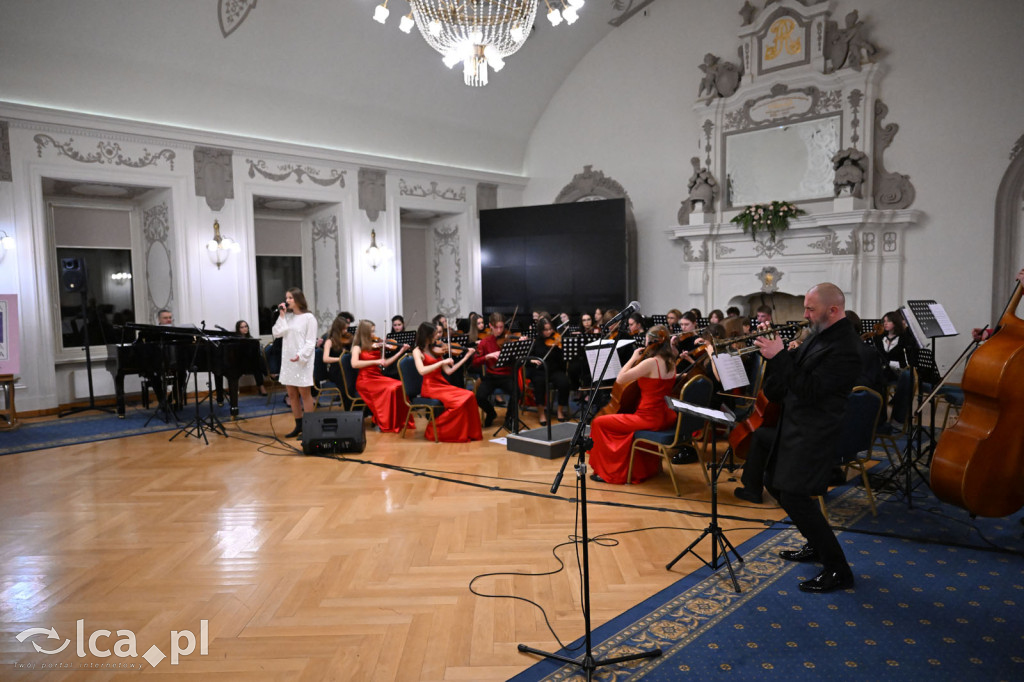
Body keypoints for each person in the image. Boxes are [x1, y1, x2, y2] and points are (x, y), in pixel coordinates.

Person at [752, 282, 862, 593]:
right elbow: (787, 386)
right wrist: (779, 356)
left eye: (810, 309)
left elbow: (812, 391)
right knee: (775, 482)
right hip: (795, 425)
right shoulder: (819, 336)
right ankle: (815, 544)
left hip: (815, 431)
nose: (805, 314)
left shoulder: (846, 347)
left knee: (794, 495)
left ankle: (838, 570)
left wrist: (782, 358)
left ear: (833, 310)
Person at [588, 324, 678, 485]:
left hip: (648, 418)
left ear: (651, 341)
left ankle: (609, 472)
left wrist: (633, 358)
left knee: (598, 422)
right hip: (665, 416)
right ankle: (640, 468)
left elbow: (621, 379)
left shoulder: (651, 362)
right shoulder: (671, 360)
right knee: (622, 424)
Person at [413, 322, 481, 442]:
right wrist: (441, 362)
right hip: (430, 388)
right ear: (426, 335)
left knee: (470, 395)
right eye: (434, 335)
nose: (437, 337)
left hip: (441, 384)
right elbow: (422, 371)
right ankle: (433, 429)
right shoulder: (417, 351)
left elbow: (449, 371)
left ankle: (471, 432)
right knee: (459, 402)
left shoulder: (435, 349)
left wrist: (465, 357)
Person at [346, 320, 412, 433]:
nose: (374, 334)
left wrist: (401, 351)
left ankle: (400, 421)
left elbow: (385, 363)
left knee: (399, 385)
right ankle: (386, 422)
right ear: (364, 333)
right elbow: (354, 364)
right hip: (365, 380)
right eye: (371, 332)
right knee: (390, 389)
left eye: (373, 331)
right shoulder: (357, 347)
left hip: (377, 377)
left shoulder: (375, 345)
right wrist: (376, 362)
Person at [272, 287, 319, 438]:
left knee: (305, 394)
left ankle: (309, 427)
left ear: (298, 299)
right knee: (291, 394)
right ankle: (298, 425)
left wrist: (300, 355)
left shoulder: (309, 318)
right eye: (287, 298)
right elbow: (277, 333)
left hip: (302, 361)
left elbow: (311, 342)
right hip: (288, 360)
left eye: (290, 298)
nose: (287, 300)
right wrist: (282, 315)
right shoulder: (288, 317)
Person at [473, 313, 517, 427]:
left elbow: (517, 359)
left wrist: (519, 343)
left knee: (517, 392)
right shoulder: (485, 342)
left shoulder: (508, 339)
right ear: (490, 326)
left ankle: (509, 418)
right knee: (479, 397)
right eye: (496, 327)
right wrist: (487, 356)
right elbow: (475, 362)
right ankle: (491, 413)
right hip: (491, 376)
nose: (499, 330)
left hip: (507, 375)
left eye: (501, 327)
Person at [525, 317, 571, 424]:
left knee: (564, 383)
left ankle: (560, 411)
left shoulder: (557, 339)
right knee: (539, 384)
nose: (549, 332)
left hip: (555, 370)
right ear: (541, 331)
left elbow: (563, 361)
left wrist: (560, 349)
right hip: (540, 371)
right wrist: (532, 361)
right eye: (546, 330)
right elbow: (527, 359)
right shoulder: (536, 342)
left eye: (550, 329)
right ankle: (541, 413)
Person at [873, 310, 917, 383]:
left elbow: (906, 362)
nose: (885, 323)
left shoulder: (903, 339)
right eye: (884, 321)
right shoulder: (880, 338)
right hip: (883, 373)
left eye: (889, 321)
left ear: (896, 322)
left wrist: (890, 364)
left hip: (898, 373)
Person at [235, 320, 267, 396]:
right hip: (241, 365)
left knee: (257, 361)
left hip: (252, 364)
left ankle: (261, 386)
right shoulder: (236, 340)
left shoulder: (251, 339)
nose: (244, 328)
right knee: (258, 361)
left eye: (246, 326)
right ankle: (267, 374)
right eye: (242, 327)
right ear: (238, 329)